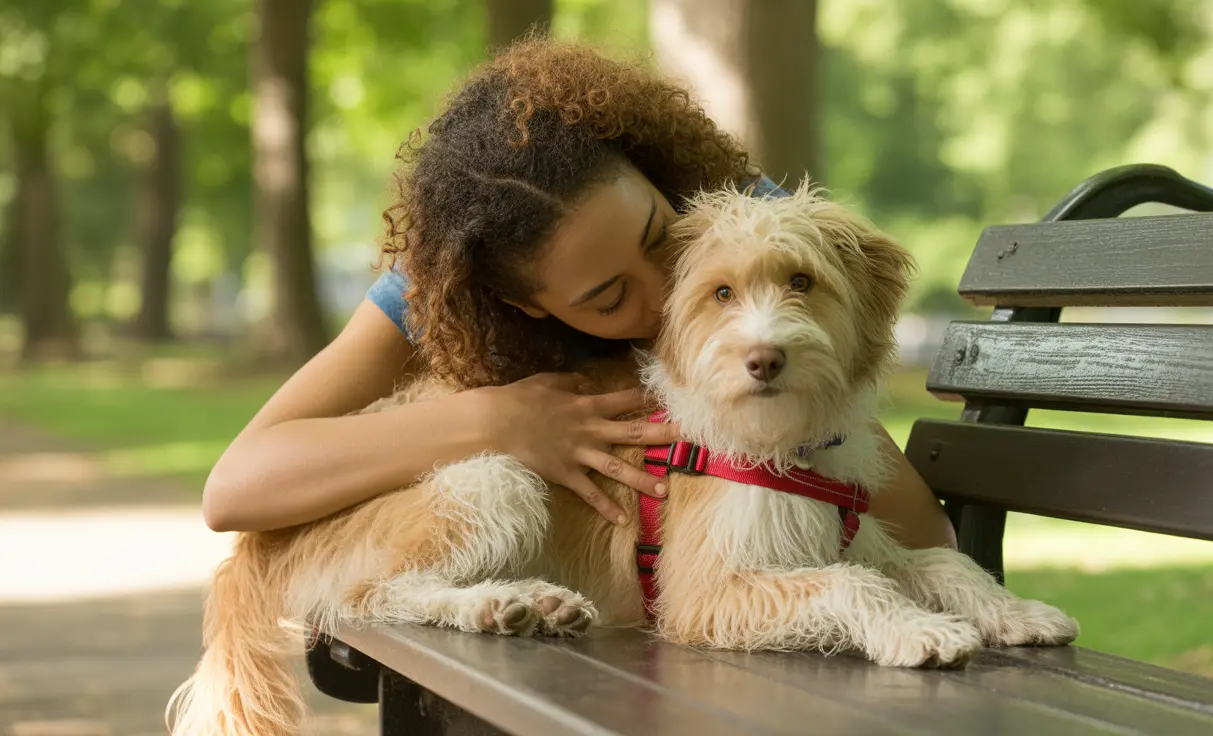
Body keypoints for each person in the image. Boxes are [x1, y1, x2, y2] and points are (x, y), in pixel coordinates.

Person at [201, 39, 956, 552]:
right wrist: (496, 419)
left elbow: (921, 529)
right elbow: (236, 488)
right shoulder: (443, 291)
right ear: (528, 305)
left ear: (650, 172)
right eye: (608, 297)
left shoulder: (747, 223)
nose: (667, 294)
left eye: (659, 233)